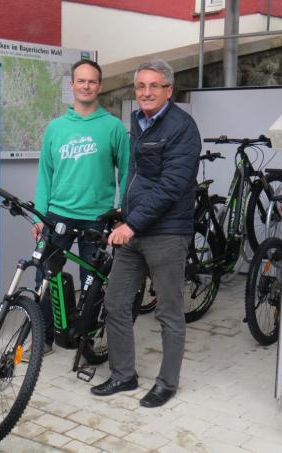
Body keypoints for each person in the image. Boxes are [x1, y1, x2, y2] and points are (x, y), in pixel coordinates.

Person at [90, 59, 200, 408]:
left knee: (169, 311)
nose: (146, 92)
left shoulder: (182, 127)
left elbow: (171, 186)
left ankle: (167, 383)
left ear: (169, 90)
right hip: (133, 228)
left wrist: (132, 224)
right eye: (141, 86)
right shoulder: (138, 123)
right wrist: (124, 212)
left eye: (154, 86)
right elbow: (135, 175)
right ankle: (124, 374)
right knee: (116, 302)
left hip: (166, 233)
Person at [32, 59, 130, 354]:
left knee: (93, 284)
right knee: (45, 278)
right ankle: (43, 339)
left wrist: (122, 215)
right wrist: (40, 214)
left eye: (92, 81)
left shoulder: (113, 127)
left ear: (99, 86)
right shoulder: (56, 128)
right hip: (57, 215)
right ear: (71, 85)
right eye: (81, 81)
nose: (86, 86)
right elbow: (44, 174)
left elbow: (126, 173)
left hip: (96, 219)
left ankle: (86, 341)